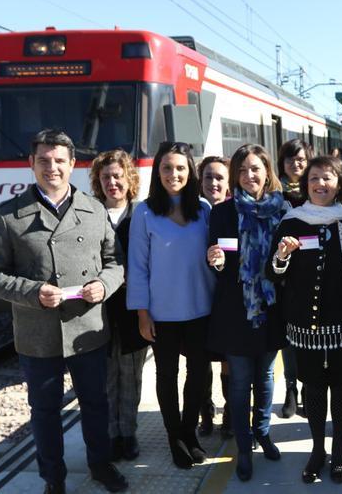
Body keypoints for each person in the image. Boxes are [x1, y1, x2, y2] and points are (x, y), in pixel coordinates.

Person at [0, 129, 128, 493]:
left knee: (95, 404)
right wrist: (33, 292)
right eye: (44, 160)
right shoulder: (9, 216)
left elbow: (115, 262)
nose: (52, 167)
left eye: (59, 160)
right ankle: (53, 479)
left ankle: (100, 464)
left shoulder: (94, 210)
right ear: (31, 164)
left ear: (73, 165)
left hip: (86, 329)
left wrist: (104, 285)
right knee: (45, 413)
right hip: (37, 334)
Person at [267, 156, 342, 484]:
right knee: (312, 388)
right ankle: (316, 450)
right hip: (305, 323)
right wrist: (283, 255)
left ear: (339, 183)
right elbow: (274, 272)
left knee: (341, 387)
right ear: (305, 183)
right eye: (314, 178)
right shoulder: (291, 221)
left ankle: (338, 450)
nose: (320, 184)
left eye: (327, 178)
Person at [126, 142, 216, 469]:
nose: (173, 174)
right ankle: (174, 436)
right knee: (167, 374)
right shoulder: (145, 212)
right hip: (162, 313)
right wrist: (142, 312)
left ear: (190, 171)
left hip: (201, 307)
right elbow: (137, 266)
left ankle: (190, 431)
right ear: (157, 172)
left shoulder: (204, 209)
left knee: (199, 373)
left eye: (180, 168)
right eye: (166, 168)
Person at [205, 143, 289, 481]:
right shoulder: (222, 213)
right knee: (240, 382)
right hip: (235, 310)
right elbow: (215, 258)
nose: (249, 175)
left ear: (267, 172)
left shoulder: (284, 210)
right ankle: (243, 446)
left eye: (255, 168)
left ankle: (263, 432)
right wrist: (217, 261)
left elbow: (287, 267)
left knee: (266, 377)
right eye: (242, 170)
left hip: (271, 307)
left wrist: (284, 258)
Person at [89, 149, 148, 463]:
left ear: (129, 179)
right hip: (99, 310)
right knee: (106, 376)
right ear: (98, 181)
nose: (112, 182)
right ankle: (111, 435)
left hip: (134, 309)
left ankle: (129, 433)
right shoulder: (88, 213)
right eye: (105, 177)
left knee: (132, 375)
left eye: (118, 176)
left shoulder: (143, 213)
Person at [196, 155, 233, 439]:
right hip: (197, 295)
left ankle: (230, 411)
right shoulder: (192, 211)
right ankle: (205, 411)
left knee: (227, 358)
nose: (214, 183)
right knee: (199, 359)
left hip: (225, 297)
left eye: (220, 177)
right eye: (208, 177)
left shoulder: (234, 211)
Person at [275, 138, 312, 418]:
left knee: (310, 334)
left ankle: (308, 386)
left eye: (300, 159)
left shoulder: (318, 190)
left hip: (312, 272)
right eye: (290, 160)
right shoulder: (275, 195)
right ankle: (290, 389)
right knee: (289, 335)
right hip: (284, 271)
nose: (295, 164)